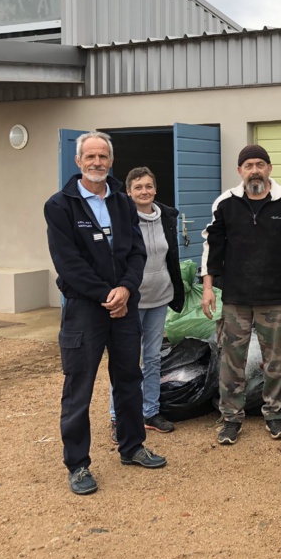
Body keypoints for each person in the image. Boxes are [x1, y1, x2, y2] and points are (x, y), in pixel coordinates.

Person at [44, 131, 167, 496]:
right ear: (79, 161)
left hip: (124, 306)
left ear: (111, 161)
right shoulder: (60, 205)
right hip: (85, 308)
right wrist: (106, 294)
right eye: (90, 157)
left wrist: (127, 289)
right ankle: (78, 464)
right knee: (78, 387)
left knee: (129, 377)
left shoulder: (122, 202)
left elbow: (136, 253)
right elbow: (68, 264)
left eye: (103, 157)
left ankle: (132, 446)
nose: (97, 163)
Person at [201, 144, 281, 445]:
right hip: (235, 299)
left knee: (276, 360)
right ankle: (231, 418)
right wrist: (207, 288)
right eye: (248, 165)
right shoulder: (225, 203)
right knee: (232, 360)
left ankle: (274, 414)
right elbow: (212, 247)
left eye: (260, 164)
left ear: (269, 169)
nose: (255, 169)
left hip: (274, 298)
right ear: (240, 171)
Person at [108, 167, 185, 444]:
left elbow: (170, 256)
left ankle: (150, 411)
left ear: (155, 189)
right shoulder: (121, 218)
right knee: (126, 361)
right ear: (128, 192)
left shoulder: (166, 218)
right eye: (138, 187)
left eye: (149, 186)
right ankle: (119, 416)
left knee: (152, 357)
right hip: (131, 299)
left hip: (160, 296)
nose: (144, 191)